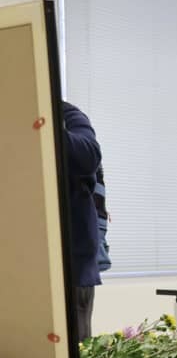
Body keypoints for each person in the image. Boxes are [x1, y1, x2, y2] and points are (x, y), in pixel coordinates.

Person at [62, 101, 103, 341]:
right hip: (23, 264)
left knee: (72, 356)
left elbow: (89, 156)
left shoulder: (68, 114)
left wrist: (45, 128)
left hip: (73, 269)